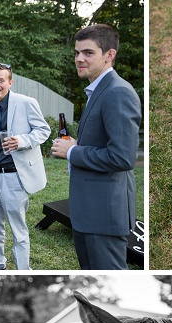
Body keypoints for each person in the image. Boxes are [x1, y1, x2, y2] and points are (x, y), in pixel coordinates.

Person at [51, 24, 141, 270]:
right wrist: (77, 145)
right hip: (88, 212)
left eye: (88, 53)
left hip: (104, 214)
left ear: (109, 55)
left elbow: (122, 157)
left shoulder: (117, 92)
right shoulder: (98, 90)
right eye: (77, 52)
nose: (79, 59)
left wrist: (72, 152)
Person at [0, 63, 51, 270]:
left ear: (10, 82)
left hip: (14, 177)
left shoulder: (26, 103)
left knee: (17, 228)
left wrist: (21, 141)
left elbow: (43, 130)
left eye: (1, 80)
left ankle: (23, 270)